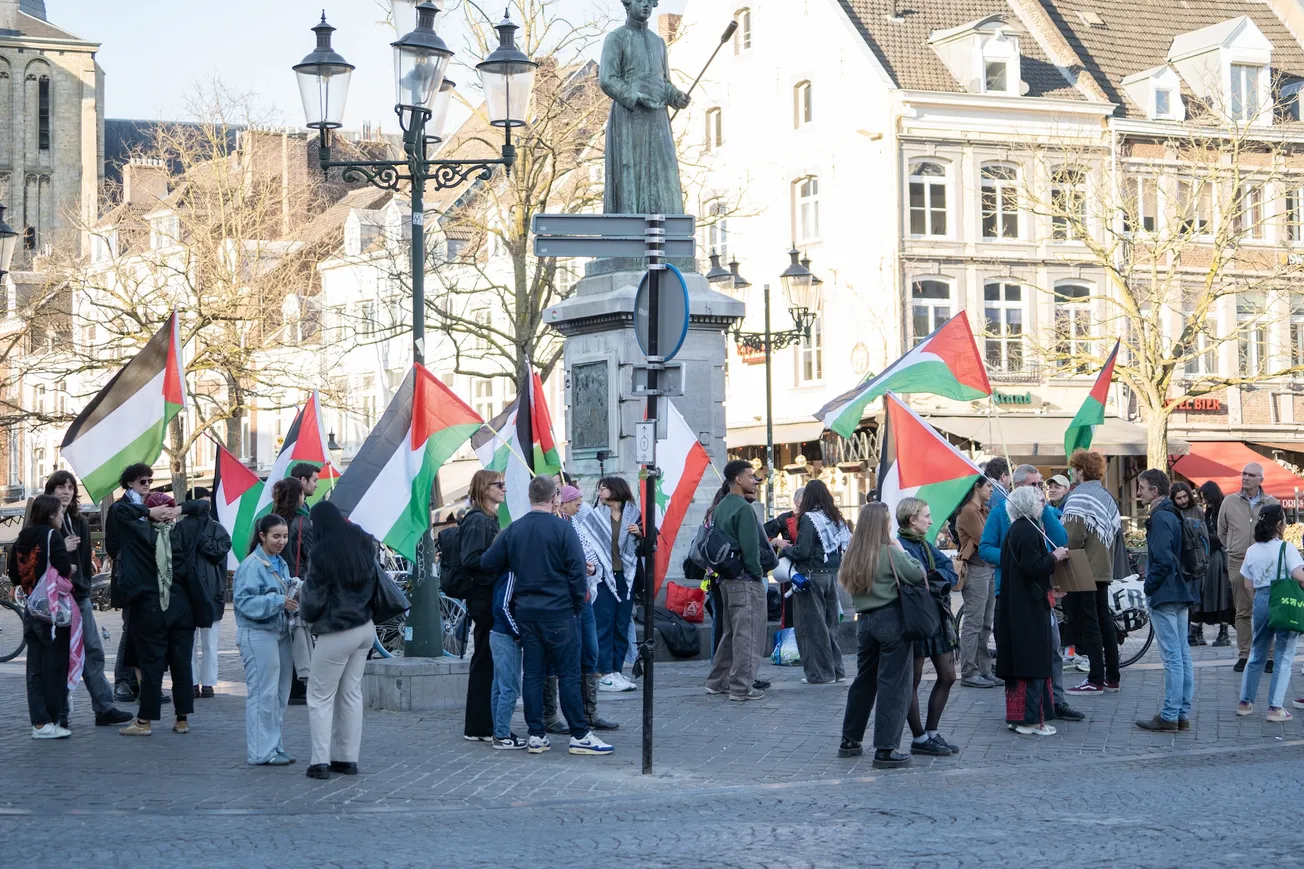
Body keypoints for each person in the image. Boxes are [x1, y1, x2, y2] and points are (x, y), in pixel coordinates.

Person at [481, 475, 614, 756]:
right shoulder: (563, 528)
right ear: (555, 498)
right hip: (559, 611)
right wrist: (576, 606)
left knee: (533, 674)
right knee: (568, 674)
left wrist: (518, 566)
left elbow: (487, 562)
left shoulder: (515, 529)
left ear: (530, 497)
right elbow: (577, 572)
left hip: (527, 612)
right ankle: (580, 734)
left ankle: (536, 735)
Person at [979, 463, 1084, 722]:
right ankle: (1024, 708)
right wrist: (1014, 560)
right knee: (1022, 653)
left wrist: (1044, 509)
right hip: (1012, 591)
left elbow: (1061, 539)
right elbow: (985, 548)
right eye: (1033, 484)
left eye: (1040, 484)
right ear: (1018, 487)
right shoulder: (1000, 513)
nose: (1040, 489)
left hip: (1042, 589)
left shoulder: (1043, 511)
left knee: (1052, 648)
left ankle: (1055, 701)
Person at [837, 502, 925, 768]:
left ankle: (850, 739)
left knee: (864, 681)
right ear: (882, 525)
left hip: (864, 622)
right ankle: (886, 748)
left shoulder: (853, 555)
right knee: (894, 684)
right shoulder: (889, 552)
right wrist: (902, 550)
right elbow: (918, 573)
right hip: (891, 620)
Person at [43, 470, 132, 725]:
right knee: (60, 655)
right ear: (51, 490)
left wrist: (84, 587)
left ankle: (104, 707)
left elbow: (83, 561)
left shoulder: (79, 521)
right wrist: (62, 547)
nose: (66, 491)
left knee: (93, 649)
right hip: (54, 597)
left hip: (78, 595)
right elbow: (38, 556)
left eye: (70, 487)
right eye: (61, 487)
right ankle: (60, 712)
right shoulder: (44, 521)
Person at [109, 470, 194, 737]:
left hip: (152, 605)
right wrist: (178, 509)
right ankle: (182, 720)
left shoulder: (140, 534)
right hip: (183, 606)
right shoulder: (182, 532)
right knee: (182, 664)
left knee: (151, 663)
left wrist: (147, 513)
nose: (147, 484)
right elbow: (203, 508)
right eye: (143, 481)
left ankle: (144, 721)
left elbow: (119, 513)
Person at [300, 501, 378, 778]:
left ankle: (319, 762)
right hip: (365, 626)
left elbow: (313, 599)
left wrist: (305, 614)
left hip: (337, 629)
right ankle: (347, 759)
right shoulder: (363, 542)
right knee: (351, 694)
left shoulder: (322, 551)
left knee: (319, 696)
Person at [599, 0, 690, 216]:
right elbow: (607, 78)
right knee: (633, 172)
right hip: (630, 117)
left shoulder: (658, 42)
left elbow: (663, 81)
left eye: (650, 1)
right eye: (640, 0)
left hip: (657, 118)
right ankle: (630, 224)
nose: (646, 5)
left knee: (663, 172)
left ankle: (664, 224)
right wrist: (634, 96)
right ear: (628, 3)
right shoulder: (616, 38)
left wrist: (675, 96)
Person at [996, 486, 1070, 736]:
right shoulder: (1027, 530)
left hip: (1022, 603)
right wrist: (1055, 556)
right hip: (1027, 610)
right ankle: (1029, 720)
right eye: (1039, 500)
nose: (1043, 503)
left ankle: (1019, 718)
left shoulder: (1018, 529)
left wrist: (1050, 589)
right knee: (1032, 663)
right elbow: (1032, 567)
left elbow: (1024, 572)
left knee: (1024, 664)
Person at [9, 495, 80, 738]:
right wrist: (70, 568)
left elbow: (14, 576)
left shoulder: (21, 537)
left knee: (35, 669)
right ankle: (51, 720)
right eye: (60, 512)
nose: (62, 516)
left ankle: (38, 722)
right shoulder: (52, 535)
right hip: (51, 611)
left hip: (31, 607)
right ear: (51, 514)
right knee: (54, 667)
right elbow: (63, 567)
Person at [895, 498, 960, 756]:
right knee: (913, 680)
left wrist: (931, 578)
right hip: (915, 618)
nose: (931, 521)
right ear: (913, 520)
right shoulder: (899, 546)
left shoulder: (924, 544)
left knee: (948, 675)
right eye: (927, 516)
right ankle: (920, 737)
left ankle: (932, 732)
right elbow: (913, 577)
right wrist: (929, 579)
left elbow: (949, 571)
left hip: (937, 617)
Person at [233, 514, 297, 766]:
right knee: (263, 693)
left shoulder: (280, 562)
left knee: (279, 693)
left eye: (285, 536)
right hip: (258, 634)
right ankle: (261, 751)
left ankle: (274, 745)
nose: (282, 541)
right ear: (262, 536)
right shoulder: (251, 565)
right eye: (276, 536)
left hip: (279, 632)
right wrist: (278, 601)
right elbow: (243, 602)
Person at [1136, 468, 1197, 733]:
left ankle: (1171, 714)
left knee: (1173, 656)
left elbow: (1161, 559)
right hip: (1180, 589)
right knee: (1182, 654)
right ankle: (1181, 713)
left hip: (1165, 592)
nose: (1138, 492)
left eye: (1142, 487)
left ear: (1154, 490)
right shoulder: (1174, 513)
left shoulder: (1160, 516)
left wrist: (1149, 587)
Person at [704, 460, 768, 701]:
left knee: (730, 633)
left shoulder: (721, 506)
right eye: (751, 476)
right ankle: (742, 687)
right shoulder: (743, 508)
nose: (755, 480)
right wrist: (758, 574)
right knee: (748, 634)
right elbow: (751, 549)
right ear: (738, 479)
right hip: (745, 579)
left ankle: (717, 681)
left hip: (725, 579)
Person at [1235, 504, 1304, 722]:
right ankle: (1275, 707)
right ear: (1279, 524)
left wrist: (1259, 603)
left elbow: (1248, 584)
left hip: (1262, 600)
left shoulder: (1252, 550)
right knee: (1284, 654)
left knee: (1257, 652)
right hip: (1284, 601)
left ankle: (1245, 702)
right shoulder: (1286, 548)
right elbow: (1299, 576)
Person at [1060, 449, 1120, 695]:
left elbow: (1072, 536)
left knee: (1089, 623)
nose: (1072, 472)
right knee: (1105, 621)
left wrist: (1060, 549)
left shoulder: (1079, 496)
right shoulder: (1106, 496)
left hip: (1084, 567)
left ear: (1081, 470)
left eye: (1074, 468)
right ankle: (1113, 677)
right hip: (1103, 566)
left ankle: (1095, 679)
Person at [558, 485, 617, 731]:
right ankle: (564, 717)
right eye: (576, 501)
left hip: (585, 597)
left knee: (591, 652)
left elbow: (589, 552)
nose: (579, 505)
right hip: (566, 601)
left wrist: (591, 568)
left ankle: (590, 712)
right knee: (570, 657)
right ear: (563, 502)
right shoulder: (557, 526)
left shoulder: (576, 523)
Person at [575, 476, 642, 693]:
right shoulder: (595, 516)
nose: (600, 492)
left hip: (626, 576)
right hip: (603, 576)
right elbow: (586, 543)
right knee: (603, 623)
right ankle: (604, 672)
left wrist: (640, 534)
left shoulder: (635, 514)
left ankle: (616, 670)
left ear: (615, 490)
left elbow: (649, 543)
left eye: (603, 488)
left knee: (622, 624)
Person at [780, 480, 849, 685]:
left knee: (812, 627)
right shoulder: (835, 517)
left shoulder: (809, 518)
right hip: (831, 576)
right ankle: (837, 671)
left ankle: (820, 674)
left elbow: (803, 551)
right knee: (830, 625)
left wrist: (786, 549)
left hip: (810, 577)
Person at [458, 469, 507, 742]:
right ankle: (479, 726)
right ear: (485, 488)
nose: (503, 489)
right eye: (499, 484)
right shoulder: (478, 520)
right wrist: (499, 560)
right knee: (485, 658)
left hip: (490, 592)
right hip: (483, 594)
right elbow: (470, 559)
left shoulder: (489, 518)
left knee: (489, 658)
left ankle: (483, 723)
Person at [1217, 462, 1279, 672]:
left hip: (1266, 563)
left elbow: (1280, 531)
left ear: (1261, 480)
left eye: (1251, 475)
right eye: (1244, 473)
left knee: (1267, 608)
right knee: (1242, 611)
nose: (1246, 478)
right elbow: (1222, 531)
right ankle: (1244, 655)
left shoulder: (1272, 503)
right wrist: (1233, 548)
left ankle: (1270, 656)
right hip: (1238, 561)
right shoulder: (1229, 501)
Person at [173, 487, 232, 699]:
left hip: (211, 592)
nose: (206, 507)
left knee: (210, 643)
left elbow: (219, 552)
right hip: (187, 592)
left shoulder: (217, 528)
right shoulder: (180, 528)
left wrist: (200, 538)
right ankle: (191, 682)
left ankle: (208, 683)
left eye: (208, 502)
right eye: (202, 502)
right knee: (188, 643)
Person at [272, 476, 312, 706]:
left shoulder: (270, 520)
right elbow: (311, 556)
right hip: (297, 585)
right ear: (298, 496)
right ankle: (298, 686)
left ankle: (283, 686)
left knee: (280, 636)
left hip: (275, 583)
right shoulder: (303, 522)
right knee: (298, 633)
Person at [955, 476, 997, 688]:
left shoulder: (983, 510)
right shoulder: (969, 512)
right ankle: (969, 671)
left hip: (988, 568)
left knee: (986, 622)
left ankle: (984, 669)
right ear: (977, 487)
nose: (992, 489)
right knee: (974, 622)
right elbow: (987, 539)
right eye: (988, 486)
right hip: (976, 568)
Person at [1197, 481, 1233, 648]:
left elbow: (1225, 536)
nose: (1205, 501)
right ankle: (1200, 629)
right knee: (1209, 593)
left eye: (1206, 497)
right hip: (1210, 557)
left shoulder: (1223, 511)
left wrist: (1209, 539)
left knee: (1223, 595)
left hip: (1220, 557)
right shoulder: (1210, 512)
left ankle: (1223, 632)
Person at [1170, 482, 1207, 647]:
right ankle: (1185, 632)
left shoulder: (1197, 510)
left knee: (1197, 597)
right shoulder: (1172, 512)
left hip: (1196, 557)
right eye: (1179, 498)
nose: (1183, 500)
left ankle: (1197, 631)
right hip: (1180, 558)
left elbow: (1203, 535)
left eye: (1185, 496)